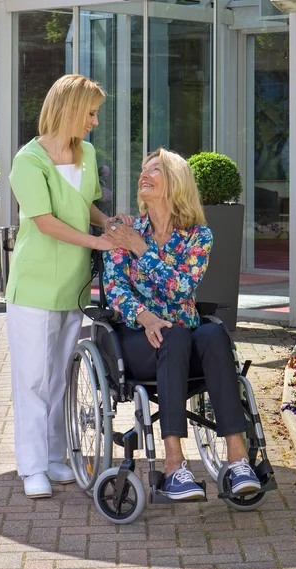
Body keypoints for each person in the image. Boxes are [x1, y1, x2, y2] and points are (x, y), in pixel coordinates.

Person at [102, 148, 261, 500]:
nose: (144, 174)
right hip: (138, 340)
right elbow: (114, 289)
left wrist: (143, 249)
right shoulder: (122, 231)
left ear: (175, 181)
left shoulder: (197, 237)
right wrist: (146, 317)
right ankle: (174, 466)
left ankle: (238, 460)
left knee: (215, 332)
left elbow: (182, 289)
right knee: (172, 336)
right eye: (143, 169)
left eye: (154, 169)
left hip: (185, 339)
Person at [6, 74, 131, 499]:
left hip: (73, 283)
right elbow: (44, 221)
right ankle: (32, 466)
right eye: (91, 113)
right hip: (36, 283)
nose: (95, 121)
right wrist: (98, 240)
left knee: (61, 375)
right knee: (34, 378)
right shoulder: (29, 161)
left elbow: (86, 207)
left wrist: (108, 224)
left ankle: (57, 457)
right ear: (71, 110)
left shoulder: (87, 153)